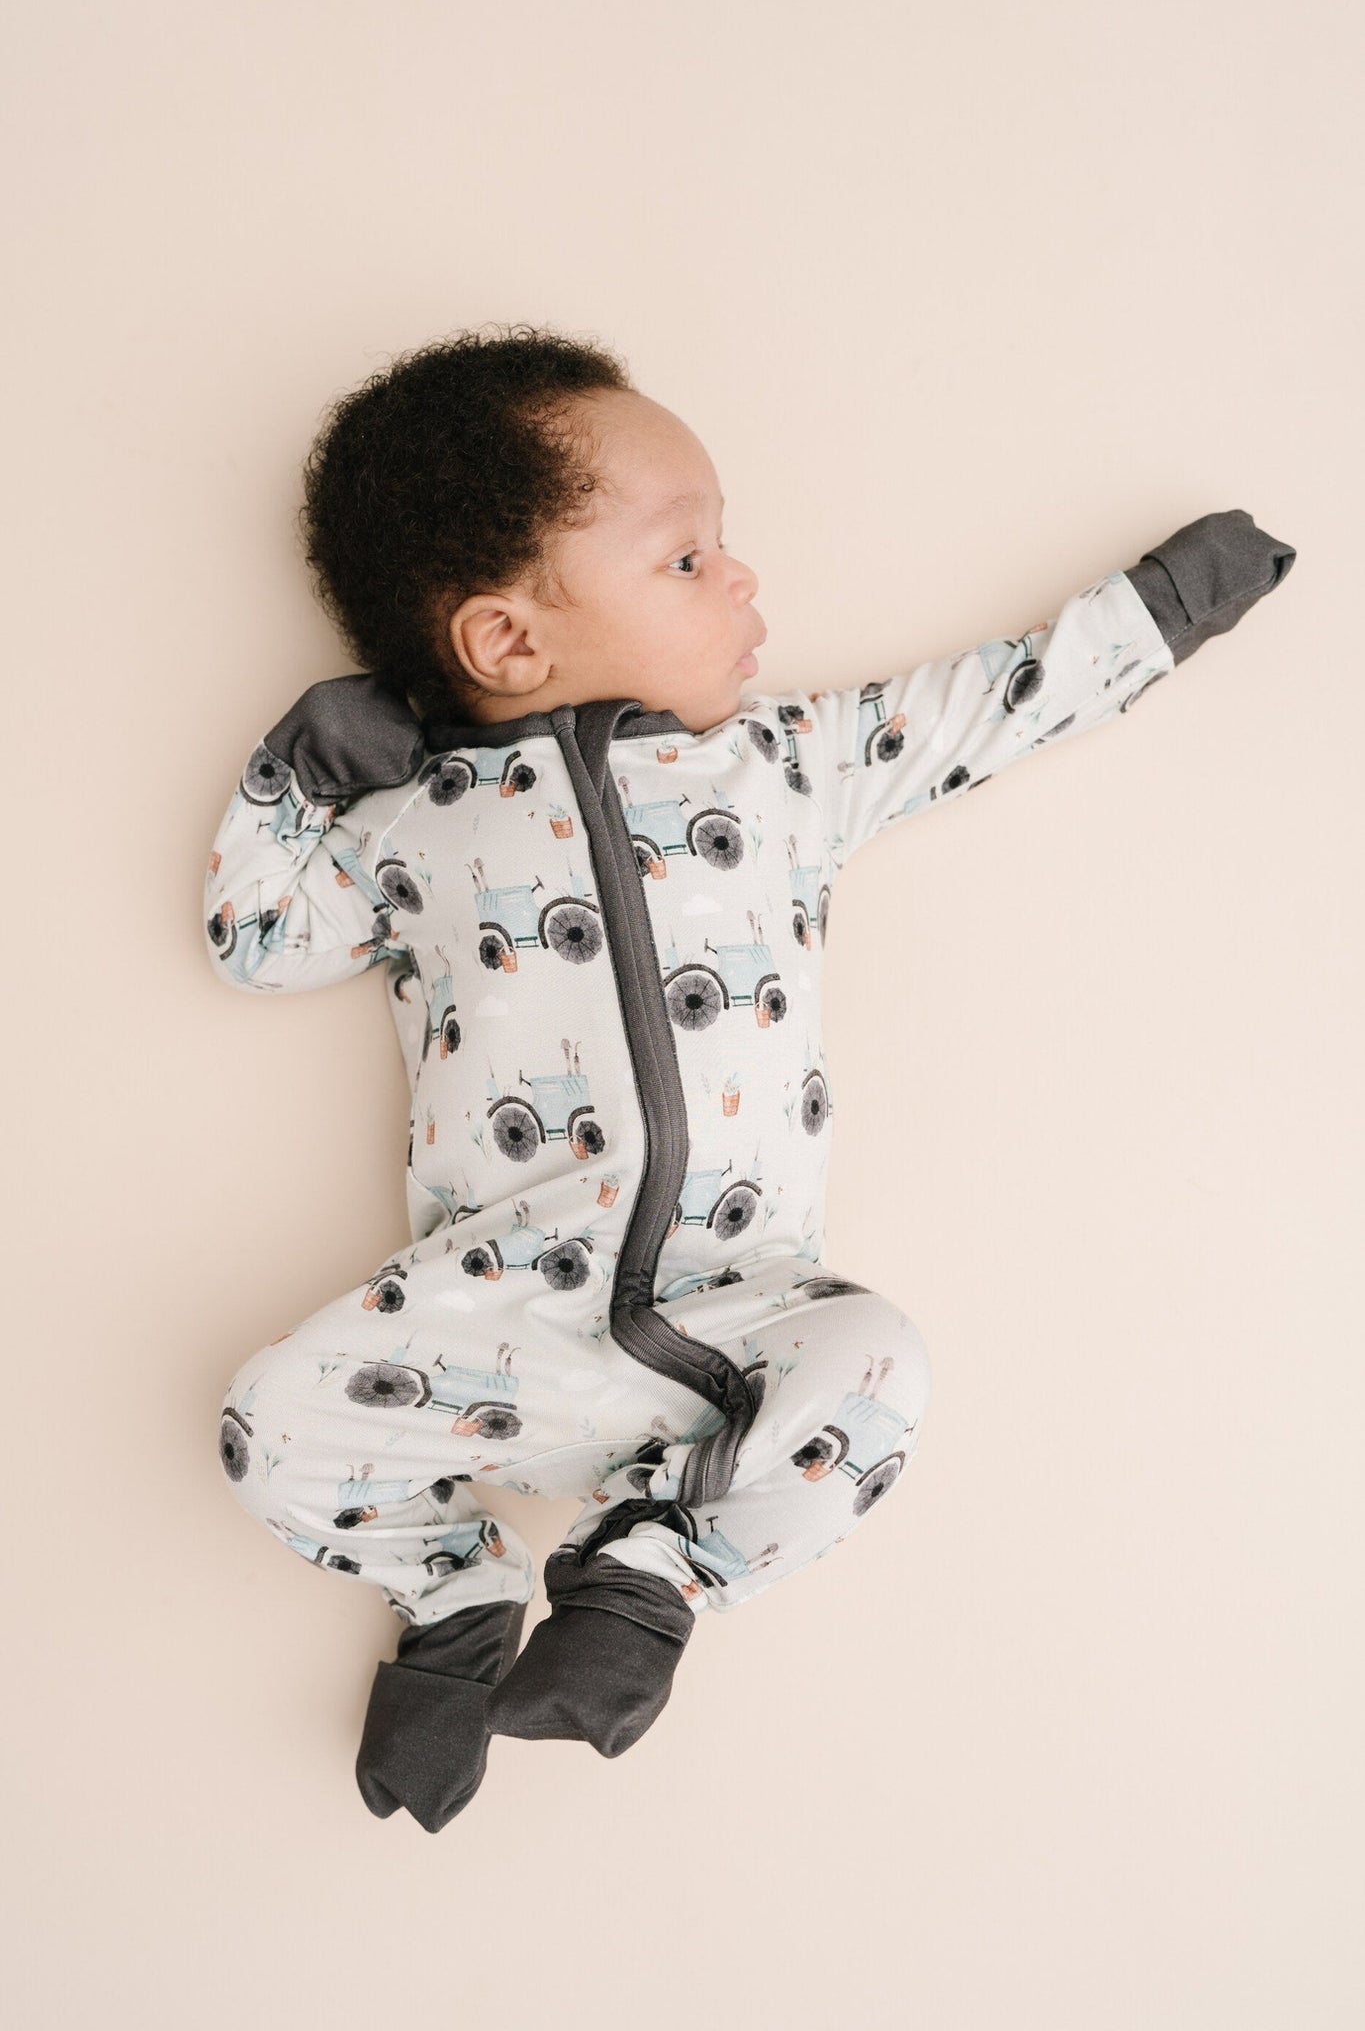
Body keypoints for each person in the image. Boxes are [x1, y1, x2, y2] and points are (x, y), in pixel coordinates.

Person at [206, 324, 1296, 1833]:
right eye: (687, 558)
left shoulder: (782, 769)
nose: (743, 582)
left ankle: (644, 1576)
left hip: (745, 1315)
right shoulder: (414, 826)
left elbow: (985, 706)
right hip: (490, 1318)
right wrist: (304, 768)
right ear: (506, 641)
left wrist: (1163, 610)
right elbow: (257, 940)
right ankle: (452, 1597)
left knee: (881, 1364)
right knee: (266, 1424)